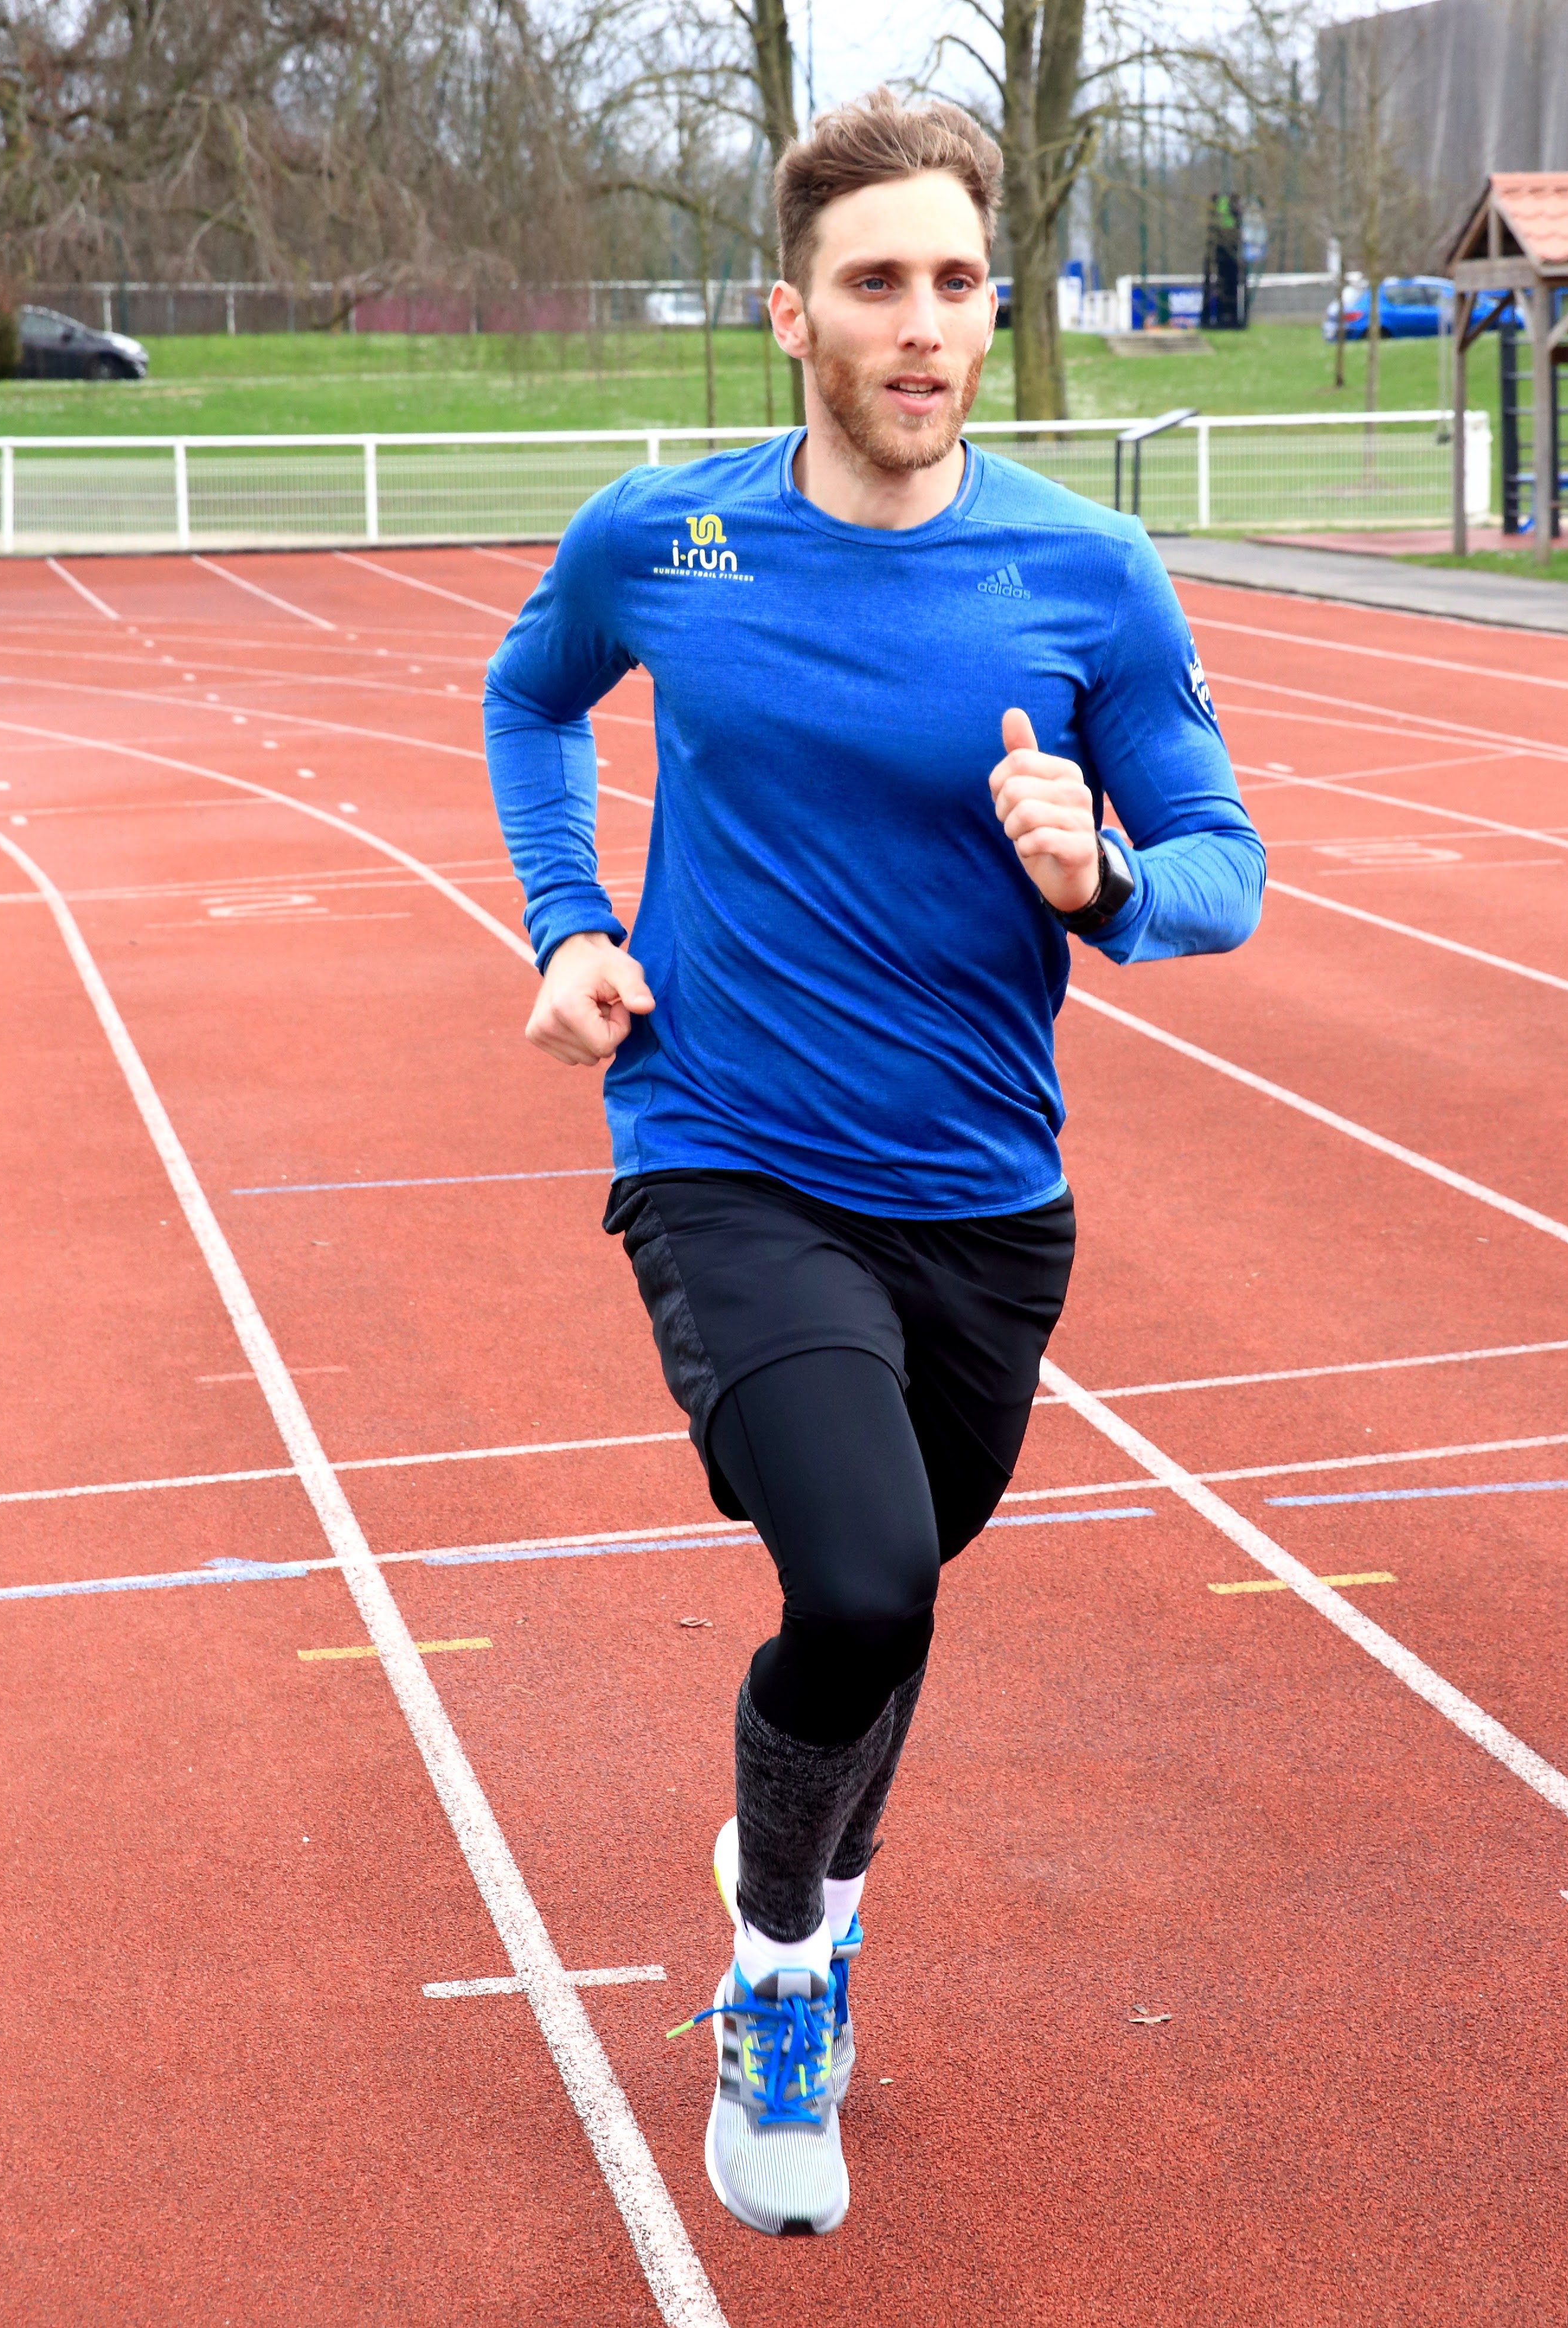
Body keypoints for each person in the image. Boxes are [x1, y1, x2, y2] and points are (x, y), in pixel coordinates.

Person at [483, 88, 1264, 2239]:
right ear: (791, 315)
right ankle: (780, 1978)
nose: (919, 326)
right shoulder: (668, 538)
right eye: (873, 285)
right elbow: (529, 700)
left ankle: (788, 1849)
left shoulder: (1081, 572)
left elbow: (1225, 870)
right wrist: (567, 922)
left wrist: (1099, 868)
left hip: (986, 1206)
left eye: (952, 285)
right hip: (726, 1150)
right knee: (858, 1582)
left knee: (893, 1617)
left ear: (989, 311)